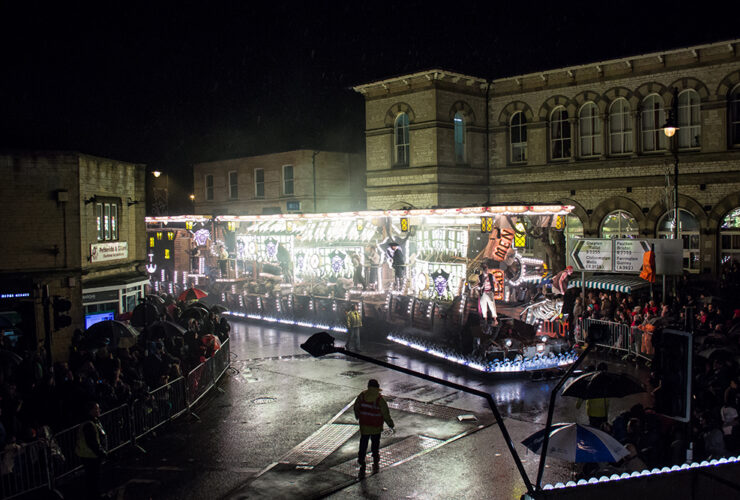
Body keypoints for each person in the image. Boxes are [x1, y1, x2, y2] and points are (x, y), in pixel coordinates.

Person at [354, 379, 394, 477]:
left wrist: (358, 415)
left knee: (363, 442)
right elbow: (385, 413)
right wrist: (390, 423)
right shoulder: (379, 399)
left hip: (364, 425)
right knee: (375, 443)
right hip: (375, 426)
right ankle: (375, 457)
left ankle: (361, 459)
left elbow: (356, 406)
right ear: (377, 387)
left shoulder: (362, 395)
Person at [74, 401, 108, 500]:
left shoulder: (94, 421)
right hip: (89, 456)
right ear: (91, 410)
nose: (99, 410)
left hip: (91, 455)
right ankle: (94, 496)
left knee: (93, 477)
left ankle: (95, 494)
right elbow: (92, 443)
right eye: (97, 408)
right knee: (93, 478)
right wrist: (102, 453)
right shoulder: (89, 424)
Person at [478, 262, 498, 329]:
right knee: (482, 303)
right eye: (485, 270)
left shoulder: (491, 276)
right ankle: (485, 319)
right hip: (484, 292)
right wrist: (480, 286)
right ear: (483, 270)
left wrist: (497, 287)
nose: (487, 271)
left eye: (487, 270)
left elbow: (496, 282)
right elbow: (479, 284)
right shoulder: (480, 277)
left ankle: (495, 319)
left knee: (491, 304)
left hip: (489, 292)